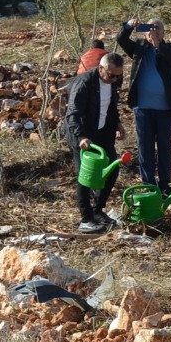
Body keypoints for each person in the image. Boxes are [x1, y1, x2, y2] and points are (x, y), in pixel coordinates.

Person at [63, 52, 127, 234]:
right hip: (82, 135)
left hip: (102, 132)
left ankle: (98, 210)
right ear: (100, 69)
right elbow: (73, 114)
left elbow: (111, 105)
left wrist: (117, 124)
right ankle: (86, 218)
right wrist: (81, 136)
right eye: (111, 75)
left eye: (118, 75)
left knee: (113, 168)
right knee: (85, 175)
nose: (115, 79)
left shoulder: (112, 81)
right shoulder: (84, 84)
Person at [117, 18, 171, 189]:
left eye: (158, 28)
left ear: (164, 32)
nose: (154, 31)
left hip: (165, 108)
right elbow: (121, 39)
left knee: (164, 148)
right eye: (150, 28)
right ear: (144, 31)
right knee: (145, 148)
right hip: (142, 107)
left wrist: (158, 44)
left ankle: (165, 184)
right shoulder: (138, 48)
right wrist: (128, 26)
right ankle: (148, 184)